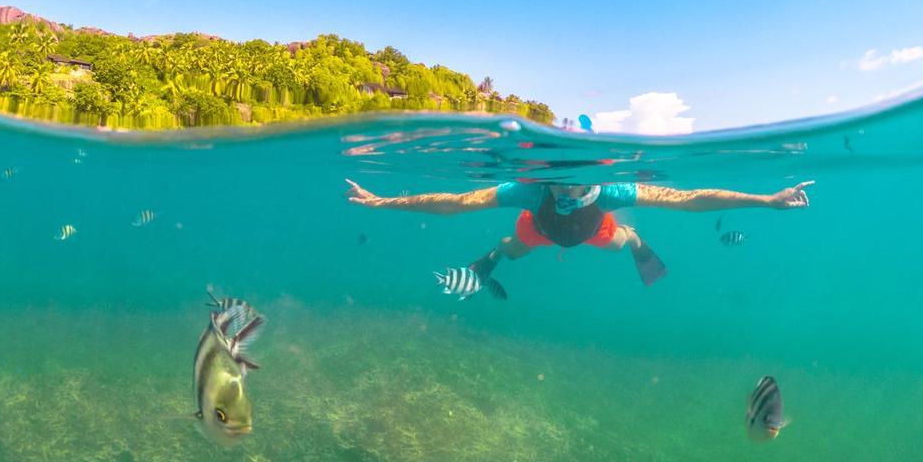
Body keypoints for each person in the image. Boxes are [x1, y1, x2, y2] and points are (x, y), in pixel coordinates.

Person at [345, 178, 813, 291]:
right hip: (540, 229)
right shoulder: (526, 192)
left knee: (619, 240)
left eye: (580, 187)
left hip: (597, 230)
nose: (570, 191)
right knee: (511, 250)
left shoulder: (613, 190)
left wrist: (766, 200)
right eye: (561, 186)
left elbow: (689, 198)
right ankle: (493, 256)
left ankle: (632, 236)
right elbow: (454, 203)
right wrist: (381, 202)